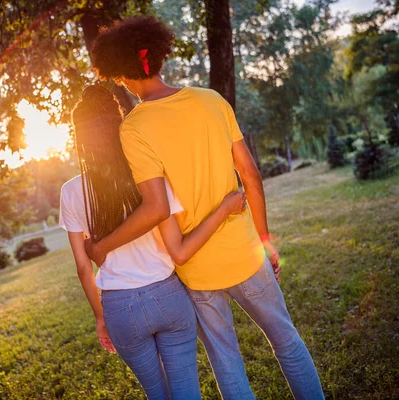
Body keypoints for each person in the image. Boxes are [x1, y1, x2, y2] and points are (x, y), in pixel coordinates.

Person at [86, 16, 325, 399]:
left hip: (196, 268)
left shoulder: (133, 128)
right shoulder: (211, 100)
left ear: (122, 73)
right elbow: (250, 174)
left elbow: (156, 207)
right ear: (159, 57)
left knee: (228, 363)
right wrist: (264, 239)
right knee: (287, 342)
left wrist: (101, 247)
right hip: (245, 253)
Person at [59, 85, 248, 400]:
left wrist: (101, 318)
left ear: (80, 137)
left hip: (120, 309)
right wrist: (225, 209)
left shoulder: (71, 191)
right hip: (168, 297)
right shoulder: (147, 176)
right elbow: (181, 249)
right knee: (187, 392)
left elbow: (83, 267)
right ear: (119, 122)